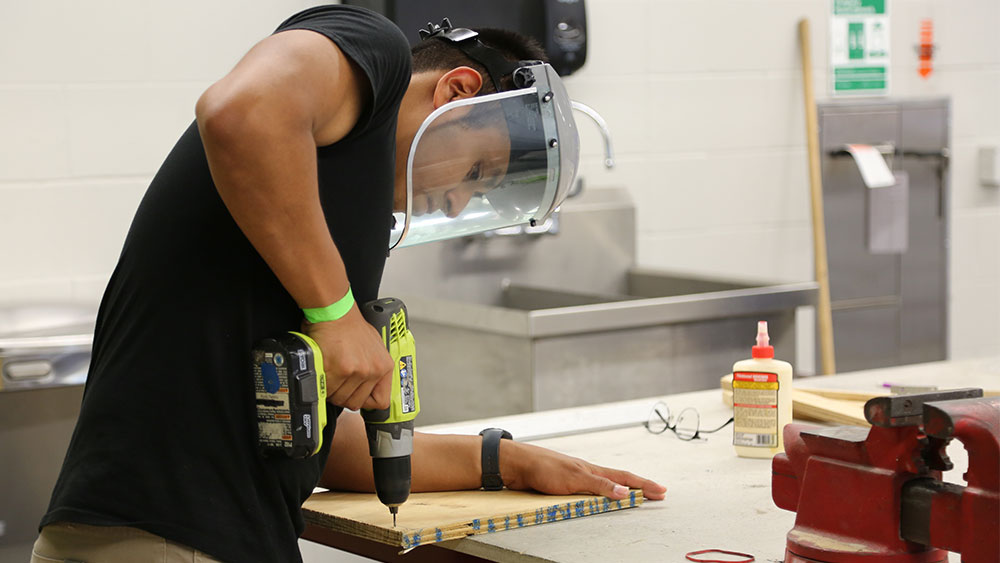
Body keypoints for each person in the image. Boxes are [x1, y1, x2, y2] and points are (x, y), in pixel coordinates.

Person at [33, 5, 665, 563]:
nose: (455, 205)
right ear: (457, 89)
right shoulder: (371, 48)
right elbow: (236, 111)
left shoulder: (333, 219)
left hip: (172, 535)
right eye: (478, 169)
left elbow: (318, 445)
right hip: (172, 537)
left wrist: (508, 460)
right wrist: (335, 314)